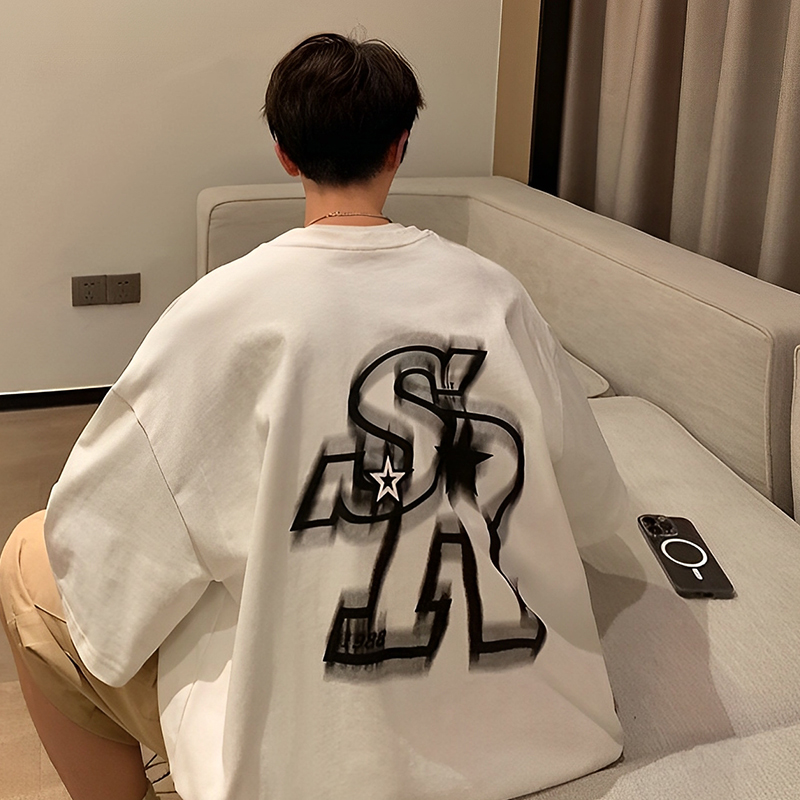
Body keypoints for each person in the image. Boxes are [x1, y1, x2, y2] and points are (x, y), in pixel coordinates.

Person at [0, 32, 627, 800]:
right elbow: (595, 509)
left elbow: (102, 551)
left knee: (27, 560)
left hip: (306, 759)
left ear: (284, 154)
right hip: (533, 728)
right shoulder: (499, 298)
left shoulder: (219, 314)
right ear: (399, 148)